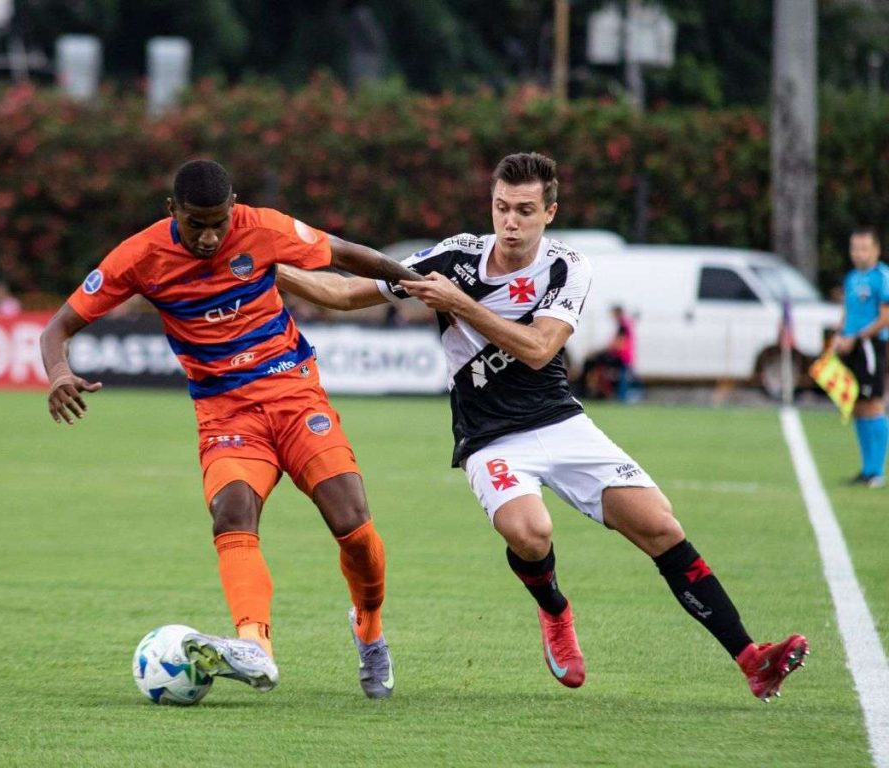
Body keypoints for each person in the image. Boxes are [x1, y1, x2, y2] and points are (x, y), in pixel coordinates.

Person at [277, 152, 809, 701]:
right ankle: (555, 610)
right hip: (490, 437)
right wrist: (262, 268)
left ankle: (751, 660)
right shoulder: (453, 257)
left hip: (561, 422)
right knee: (530, 531)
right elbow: (342, 294)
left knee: (661, 527)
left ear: (549, 212)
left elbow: (537, 348)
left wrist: (460, 304)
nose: (511, 222)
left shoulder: (566, 267)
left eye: (525, 211)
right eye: (502, 208)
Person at [40, 159, 419, 699]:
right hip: (226, 414)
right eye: (197, 224)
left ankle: (370, 628)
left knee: (354, 526)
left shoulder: (263, 227)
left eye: (220, 220)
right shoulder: (140, 256)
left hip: (294, 395)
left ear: (234, 206)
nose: (210, 235)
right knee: (232, 512)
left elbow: (346, 253)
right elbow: (59, 326)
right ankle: (255, 647)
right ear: (172, 211)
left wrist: (421, 284)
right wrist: (59, 373)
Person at [830, 226, 889, 488]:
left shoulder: (882, 277)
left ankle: (877, 470)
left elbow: (885, 317)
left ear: (876, 249)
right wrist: (839, 336)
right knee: (857, 406)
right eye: (855, 248)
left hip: (870, 346)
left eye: (864, 248)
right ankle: (866, 469)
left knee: (874, 404)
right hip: (851, 346)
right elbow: (848, 313)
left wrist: (858, 337)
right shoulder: (852, 278)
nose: (859, 253)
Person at [579, 304, 636, 400]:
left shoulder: (623, 326)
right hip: (622, 357)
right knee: (594, 361)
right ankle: (593, 391)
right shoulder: (625, 324)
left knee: (590, 362)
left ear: (617, 313)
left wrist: (597, 351)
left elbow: (618, 345)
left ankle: (584, 391)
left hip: (621, 358)